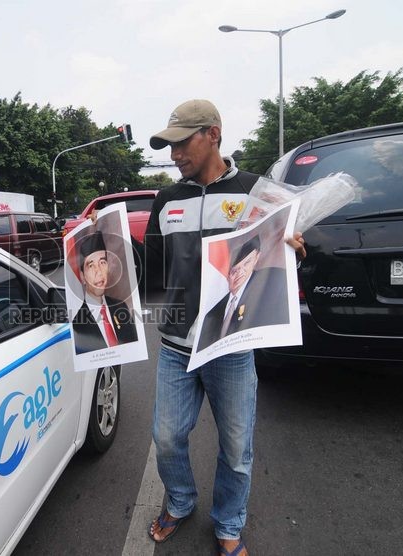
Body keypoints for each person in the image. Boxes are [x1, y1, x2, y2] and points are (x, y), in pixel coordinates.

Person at [144, 99, 306, 556]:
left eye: (182, 142)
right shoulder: (166, 199)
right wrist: (103, 239)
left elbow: (283, 253)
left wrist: (292, 246)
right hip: (177, 344)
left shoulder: (257, 191)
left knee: (236, 449)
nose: (174, 154)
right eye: (169, 145)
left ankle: (229, 523)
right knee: (167, 436)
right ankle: (180, 500)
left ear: (213, 134)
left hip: (231, 345)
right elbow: (149, 273)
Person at [196, 235, 288, 351]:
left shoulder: (269, 281)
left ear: (256, 257)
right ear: (226, 273)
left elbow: (284, 278)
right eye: (234, 270)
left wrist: (293, 257)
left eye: (246, 263)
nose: (240, 273)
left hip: (242, 356)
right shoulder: (212, 312)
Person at [72, 230, 138, 354]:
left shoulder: (121, 307)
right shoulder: (76, 323)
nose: (99, 271)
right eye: (91, 266)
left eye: (102, 262)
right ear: (82, 277)